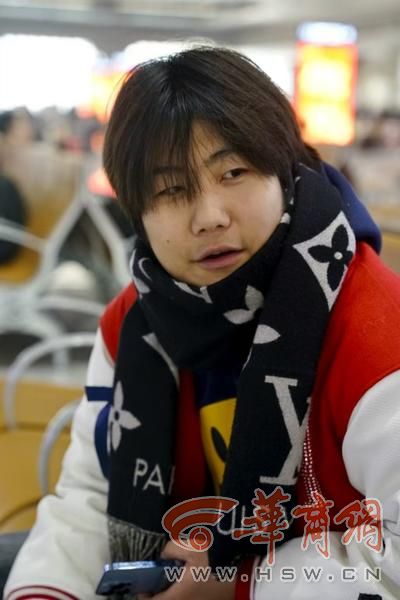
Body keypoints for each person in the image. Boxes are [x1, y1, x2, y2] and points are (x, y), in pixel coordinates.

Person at [3, 45, 400, 600]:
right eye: (170, 190)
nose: (209, 216)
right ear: (136, 212)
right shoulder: (136, 322)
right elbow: (91, 497)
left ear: (285, 170)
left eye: (233, 172)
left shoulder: (375, 329)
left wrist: (240, 584)